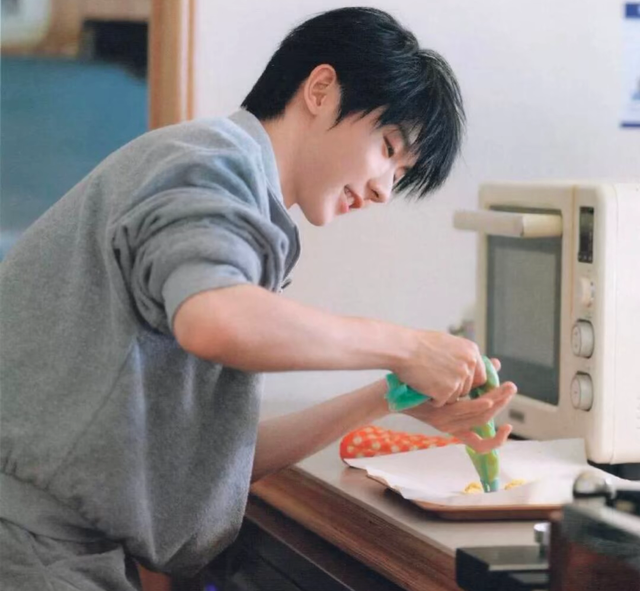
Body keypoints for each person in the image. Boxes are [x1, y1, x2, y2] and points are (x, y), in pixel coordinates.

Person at [0, 7, 516, 590]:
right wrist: (407, 346)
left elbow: (216, 463)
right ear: (320, 89)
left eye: (399, 176)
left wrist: (387, 396)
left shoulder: (237, 201)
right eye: (388, 147)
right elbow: (217, 321)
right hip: (26, 549)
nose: (382, 189)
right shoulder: (209, 163)